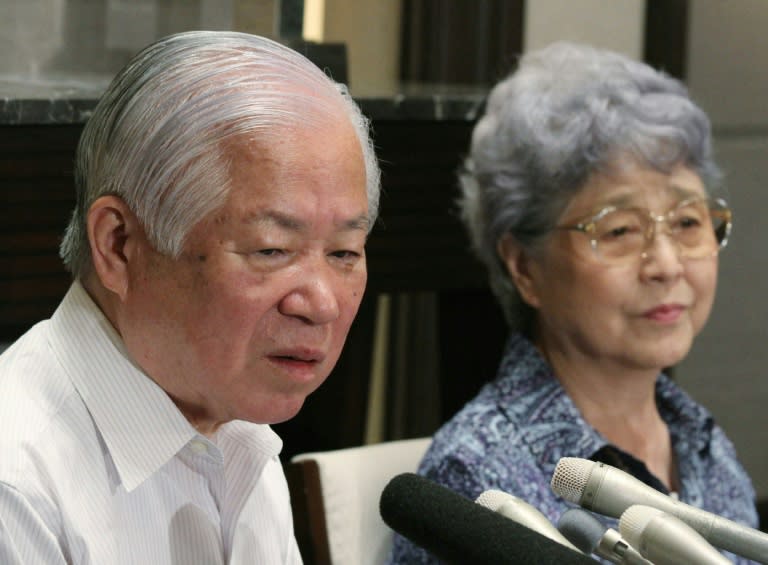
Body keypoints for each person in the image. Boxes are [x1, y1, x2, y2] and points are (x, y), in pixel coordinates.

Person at [0, 30, 380, 564]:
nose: (321, 303)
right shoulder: (15, 486)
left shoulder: (237, 428)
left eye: (344, 253)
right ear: (119, 245)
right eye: (272, 249)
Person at [388, 41, 758, 563]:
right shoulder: (477, 477)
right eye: (620, 229)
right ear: (525, 267)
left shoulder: (702, 443)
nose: (667, 265)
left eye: (688, 222)